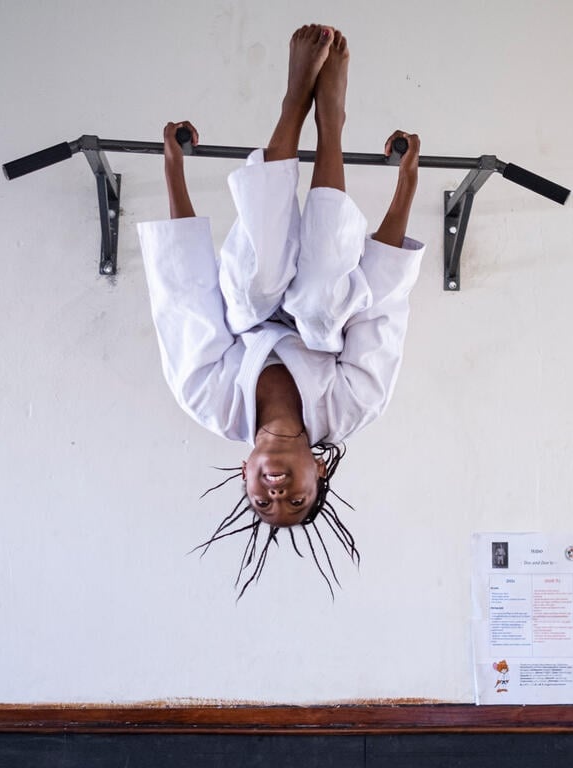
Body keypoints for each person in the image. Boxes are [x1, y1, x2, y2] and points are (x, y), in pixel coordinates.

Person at [136, 25, 424, 596]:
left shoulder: (206, 400)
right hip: (328, 296)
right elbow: (384, 302)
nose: (277, 490)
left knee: (255, 287)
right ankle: (330, 125)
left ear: (243, 473)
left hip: (251, 290)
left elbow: (185, 289)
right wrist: (407, 184)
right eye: (297, 499)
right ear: (320, 472)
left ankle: (296, 101)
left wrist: (173, 167)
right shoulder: (355, 407)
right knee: (320, 309)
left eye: (263, 500)